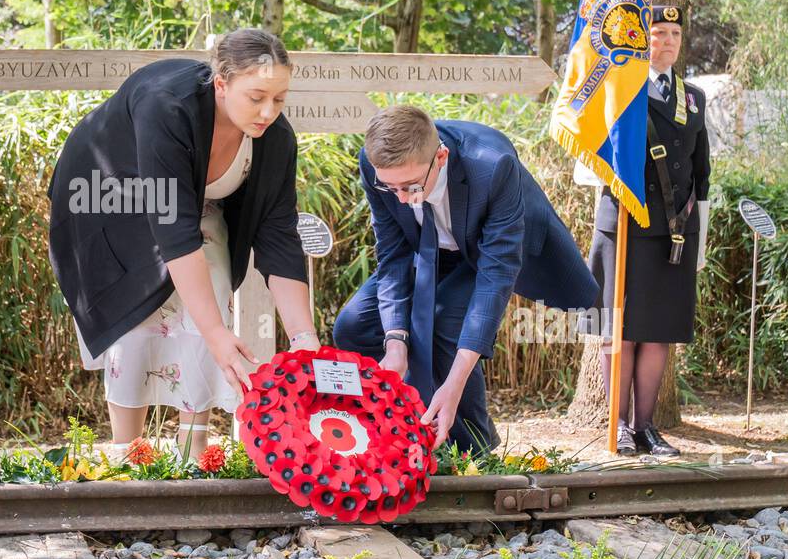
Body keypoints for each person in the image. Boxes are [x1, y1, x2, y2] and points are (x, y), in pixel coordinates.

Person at [48, 28, 316, 461]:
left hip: (191, 202)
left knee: (211, 291)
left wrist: (305, 340)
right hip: (110, 194)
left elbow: (280, 236)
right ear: (222, 84)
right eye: (257, 97)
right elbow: (174, 231)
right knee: (135, 306)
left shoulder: (277, 139)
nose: (269, 112)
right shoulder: (167, 107)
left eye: (280, 99)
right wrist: (216, 334)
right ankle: (127, 455)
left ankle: (194, 455)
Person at [333, 105, 598, 454]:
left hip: (486, 251)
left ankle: (472, 449)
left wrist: (453, 385)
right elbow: (393, 255)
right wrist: (395, 343)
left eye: (410, 186)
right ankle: (384, 435)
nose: (400, 198)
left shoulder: (492, 164)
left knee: (446, 326)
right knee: (353, 325)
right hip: (426, 251)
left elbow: (495, 276)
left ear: (440, 157)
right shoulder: (376, 166)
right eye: (390, 188)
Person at [580, 4, 711, 458]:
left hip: (673, 232)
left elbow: (702, 174)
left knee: (657, 332)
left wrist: (701, 240)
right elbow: (590, 159)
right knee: (617, 331)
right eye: (658, 32)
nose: (668, 40)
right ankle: (616, 425)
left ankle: (645, 428)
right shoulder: (617, 91)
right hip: (625, 225)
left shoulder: (693, 97)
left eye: (675, 32)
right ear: (641, 39)